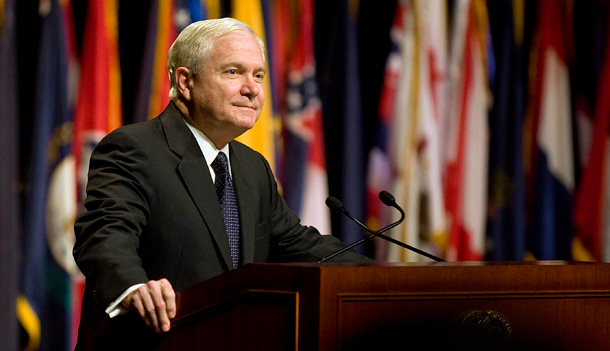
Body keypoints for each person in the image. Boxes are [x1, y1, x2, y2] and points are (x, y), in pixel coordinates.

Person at [73, 17, 372, 346]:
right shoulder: (135, 149)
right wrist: (133, 288)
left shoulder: (251, 166)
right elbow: (105, 234)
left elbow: (301, 246)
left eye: (258, 75)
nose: (252, 89)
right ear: (185, 82)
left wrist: (391, 276)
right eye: (233, 72)